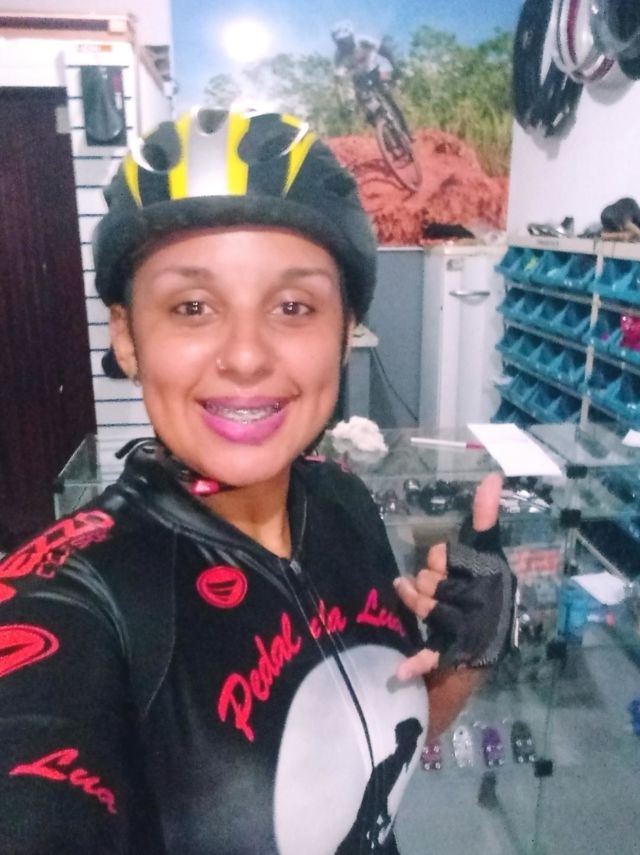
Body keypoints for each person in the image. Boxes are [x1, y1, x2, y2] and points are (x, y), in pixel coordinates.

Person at [0, 107, 515, 854]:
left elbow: (369, 756)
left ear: (345, 332)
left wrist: (467, 653)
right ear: (127, 337)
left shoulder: (342, 502)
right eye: (192, 306)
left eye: (294, 306)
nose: (245, 356)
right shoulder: (69, 595)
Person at [331, 20, 410, 136]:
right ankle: (380, 126)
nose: (344, 45)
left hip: (375, 69)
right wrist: (343, 103)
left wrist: (394, 68)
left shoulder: (363, 40)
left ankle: (405, 130)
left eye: (346, 40)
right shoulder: (339, 56)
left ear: (351, 37)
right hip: (359, 77)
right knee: (363, 102)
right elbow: (339, 79)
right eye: (341, 42)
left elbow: (383, 50)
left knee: (387, 93)